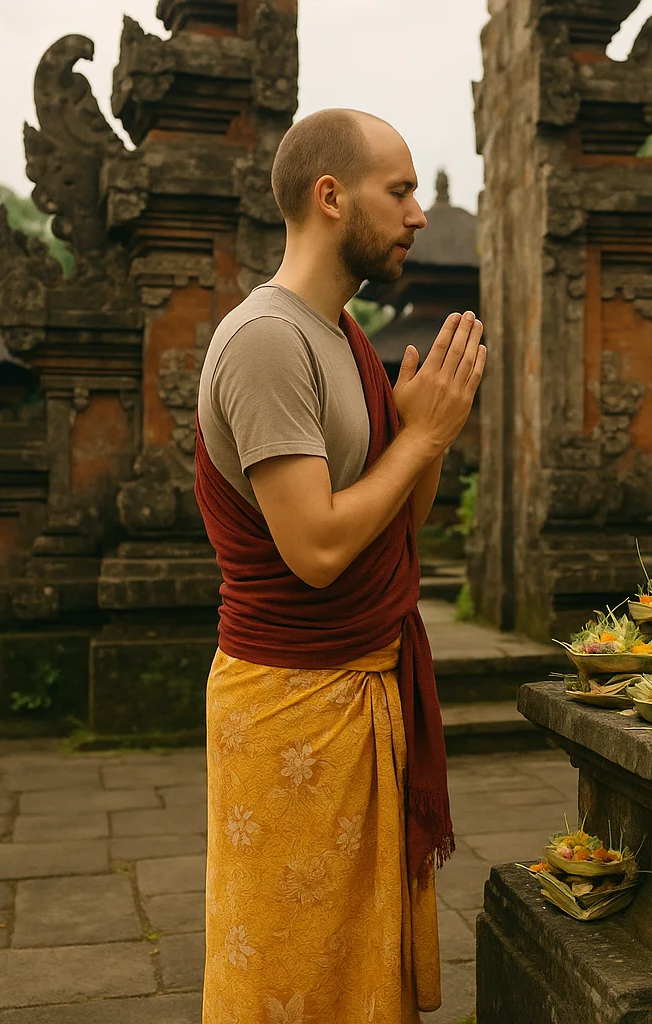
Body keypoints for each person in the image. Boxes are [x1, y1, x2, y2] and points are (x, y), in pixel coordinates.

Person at [194, 108, 486, 1023]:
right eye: (398, 192)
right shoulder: (269, 341)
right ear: (331, 197)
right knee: (294, 977)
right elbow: (317, 550)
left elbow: (401, 519)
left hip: (356, 694)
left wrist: (424, 442)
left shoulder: (340, 334)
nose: (418, 215)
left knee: (360, 975)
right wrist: (422, 437)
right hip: (294, 708)